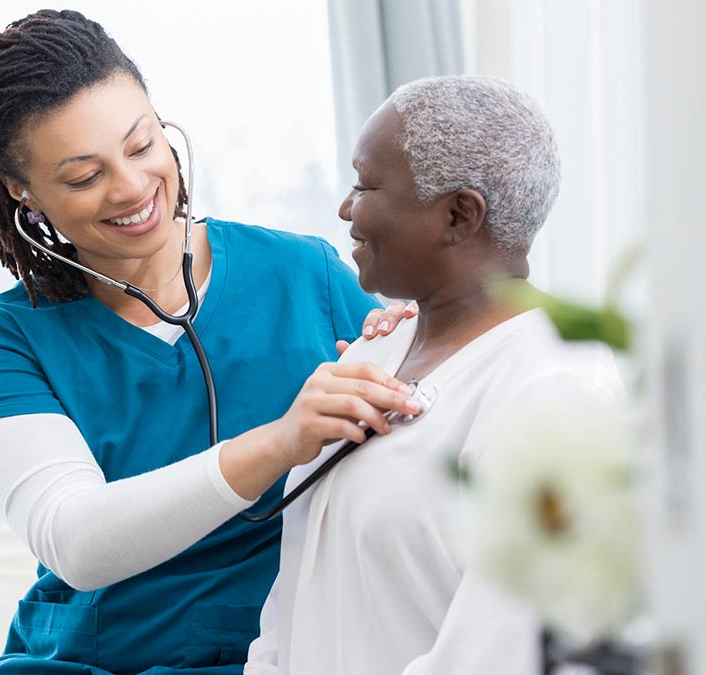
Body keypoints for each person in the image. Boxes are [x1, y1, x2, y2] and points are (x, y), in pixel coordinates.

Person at [0, 10, 416, 674]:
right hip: (89, 662)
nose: (132, 187)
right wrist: (281, 441)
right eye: (84, 177)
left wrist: (413, 351)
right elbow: (76, 542)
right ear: (22, 192)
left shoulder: (303, 275)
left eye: (142, 145)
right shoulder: (5, 339)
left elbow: (433, 436)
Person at [243, 75, 623, 675]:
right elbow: (294, 602)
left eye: (366, 184)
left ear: (458, 215)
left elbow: (495, 657)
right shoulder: (372, 351)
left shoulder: (558, 386)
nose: (345, 208)